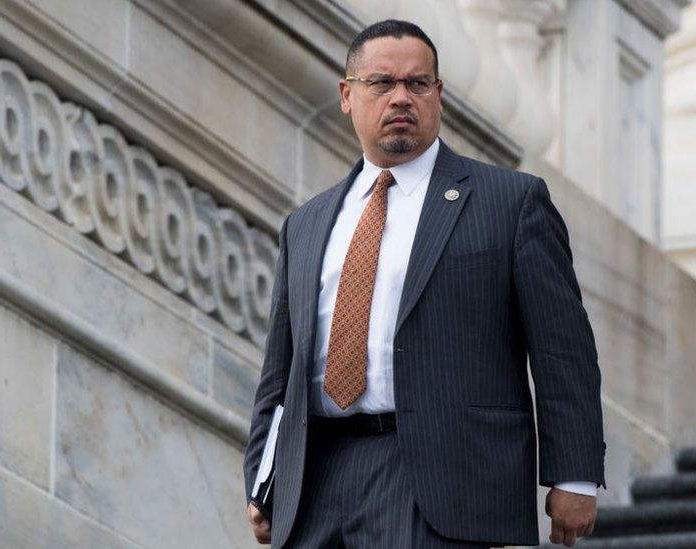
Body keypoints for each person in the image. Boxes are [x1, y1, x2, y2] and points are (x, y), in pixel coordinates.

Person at [243, 19, 606, 549]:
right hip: (315, 478)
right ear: (347, 95)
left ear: (438, 95)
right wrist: (264, 477)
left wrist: (573, 476)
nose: (401, 97)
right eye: (381, 83)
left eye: (418, 84)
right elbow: (282, 370)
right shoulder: (308, 222)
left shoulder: (510, 202)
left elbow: (562, 349)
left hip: (439, 478)